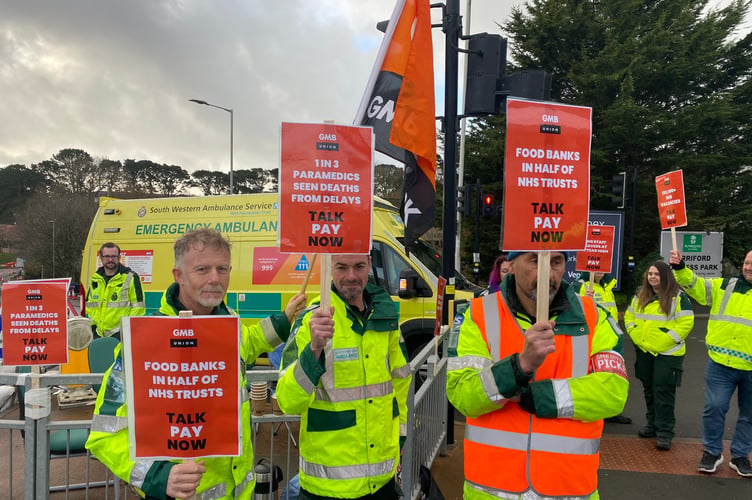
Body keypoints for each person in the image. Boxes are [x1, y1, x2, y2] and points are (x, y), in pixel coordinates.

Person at [85, 229, 307, 499]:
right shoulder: (145, 341)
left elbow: (251, 341)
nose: (215, 279)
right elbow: (104, 433)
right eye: (202, 269)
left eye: (222, 269)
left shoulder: (229, 326)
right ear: (179, 275)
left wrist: (284, 319)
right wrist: (158, 476)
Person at [447, 251, 629, 499]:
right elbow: (462, 394)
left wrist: (545, 397)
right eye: (535, 260)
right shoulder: (478, 314)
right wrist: (520, 367)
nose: (548, 273)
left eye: (556, 262)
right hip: (492, 490)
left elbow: (613, 392)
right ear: (511, 264)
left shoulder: (594, 317)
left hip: (569, 490)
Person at [276, 253, 412, 500]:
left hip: (381, 481)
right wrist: (314, 348)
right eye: (342, 267)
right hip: (326, 489)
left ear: (369, 264)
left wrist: (399, 439)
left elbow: (400, 383)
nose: (351, 276)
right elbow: (287, 402)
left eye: (359, 266)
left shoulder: (386, 317)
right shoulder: (312, 319)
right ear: (329, 268)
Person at [670, 249, 752, 477]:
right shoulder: (725, 285)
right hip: (721, 363)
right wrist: (680, 268)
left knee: (750, 416)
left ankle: (740, 456)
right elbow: (695, 285)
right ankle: (712, 452)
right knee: (714, 408)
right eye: (747, 262)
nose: (749, 267)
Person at [624, 261, 694, 450]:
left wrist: (663, 342)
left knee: (663, 392)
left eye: (657, 274)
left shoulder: (678, 297)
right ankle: (652, 425)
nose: (652, 277)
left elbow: (685, 324)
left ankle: (665, 432)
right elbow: (629, 317)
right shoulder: (641, 295)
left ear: (665, 277)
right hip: (645, 350)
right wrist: (636, 336)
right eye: (650, 274)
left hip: (668, 353)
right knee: (649, 388)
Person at [574, 271, 633, 424]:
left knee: (612, 375)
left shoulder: (608, 286)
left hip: (611, 338)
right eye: (596, 268)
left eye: (602, 267)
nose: (599, 271)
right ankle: (593, 410)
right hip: (592, 338)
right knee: (592, 375)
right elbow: (571, 309)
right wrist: (584, 300)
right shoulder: (579, 286)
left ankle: (611, 411)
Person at [85, 242, 145, 338]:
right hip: (98, 335)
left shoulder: (131, 278)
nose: (110, 259)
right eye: (106, 256)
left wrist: (124, 331)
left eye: (113, 256)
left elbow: (138, 309)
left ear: (119, 257)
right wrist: (93, 328)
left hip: (121, 336)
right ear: (100, 258)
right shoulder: (95, 279)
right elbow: (89, 306)